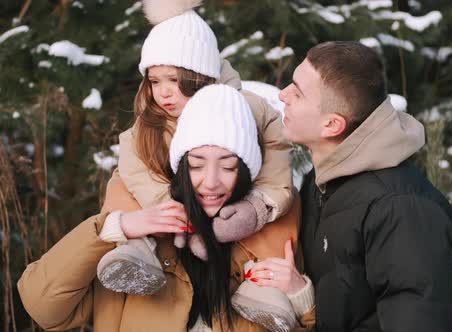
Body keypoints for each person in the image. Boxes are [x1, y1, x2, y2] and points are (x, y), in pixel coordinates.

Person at [17, 85, 315, 331]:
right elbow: (43, 306)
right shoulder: (134, 248)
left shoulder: (269, 245)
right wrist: (113, 228)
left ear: (248, 172)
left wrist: (300, 297)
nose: (210, 182)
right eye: (197, 165)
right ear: (181, 168)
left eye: (228, 167)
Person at [94, 0, 299, 330]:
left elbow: (277, 164)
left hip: (235, 209)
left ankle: (263, 284)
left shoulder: (250, 110)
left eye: (175, 81)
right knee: (121, 185)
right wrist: (174, 212)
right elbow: (136, 173)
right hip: (172, 219)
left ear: (200, 76)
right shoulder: (150, 123)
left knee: (286, 210)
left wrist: (258, 207)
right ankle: (136, 253)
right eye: (155, 81)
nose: (164, 94)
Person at [263, 40, 452, 331]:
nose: (283, 94)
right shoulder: (326, 181)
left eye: (297, 92)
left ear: (332, 125)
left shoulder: (401, 209)